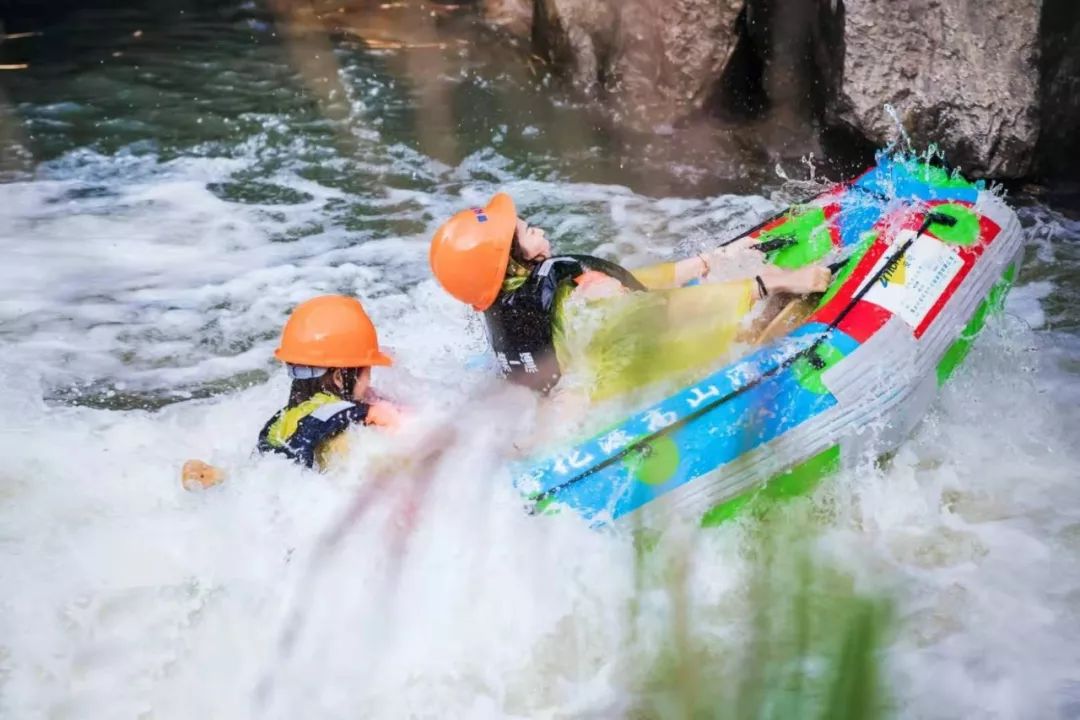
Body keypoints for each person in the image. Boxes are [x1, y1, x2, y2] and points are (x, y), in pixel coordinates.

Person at [428, 193, 831, 401]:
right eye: (529, 231)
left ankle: (746, 309)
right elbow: (658, 312)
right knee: (657, 319)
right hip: (623, 377)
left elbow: (632, 282)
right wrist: (759, 285)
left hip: (591, 375)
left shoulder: (513, 309)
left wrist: (704, 263)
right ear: (515, 262)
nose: (541, 232)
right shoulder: (581, 301)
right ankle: (762, 305)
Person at [181, 295, 401, 490]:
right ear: (338, 376)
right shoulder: (345, 431)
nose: (368, 381)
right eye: (366, 372)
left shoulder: (288, 419)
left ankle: (214, 476)